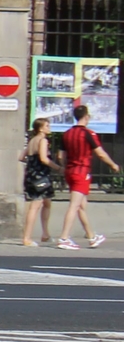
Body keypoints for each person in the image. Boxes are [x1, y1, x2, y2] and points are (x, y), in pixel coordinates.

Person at [55, 103, 118, 250]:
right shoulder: (89, 133)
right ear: (86, 117)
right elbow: (100, 153)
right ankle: (64, 238)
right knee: (75, 205)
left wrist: (66, 166)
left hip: (70, 171)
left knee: (81, 206)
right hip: (82, 172)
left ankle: (91, 236)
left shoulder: (67, 133)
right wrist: (113, 165)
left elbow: (60, 156)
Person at [22, 116, 61, 248]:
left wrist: (32, 164)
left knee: (47, 202)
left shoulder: (32, 140)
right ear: (40, 128)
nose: (49, 128)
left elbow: (22, 157)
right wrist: (58, 167)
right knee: (35, 205)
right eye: (47, 126)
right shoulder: (43, 140)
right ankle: (27, 237)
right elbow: (44, 159)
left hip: (31, 175)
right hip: (41, 176)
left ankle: (45, 234)